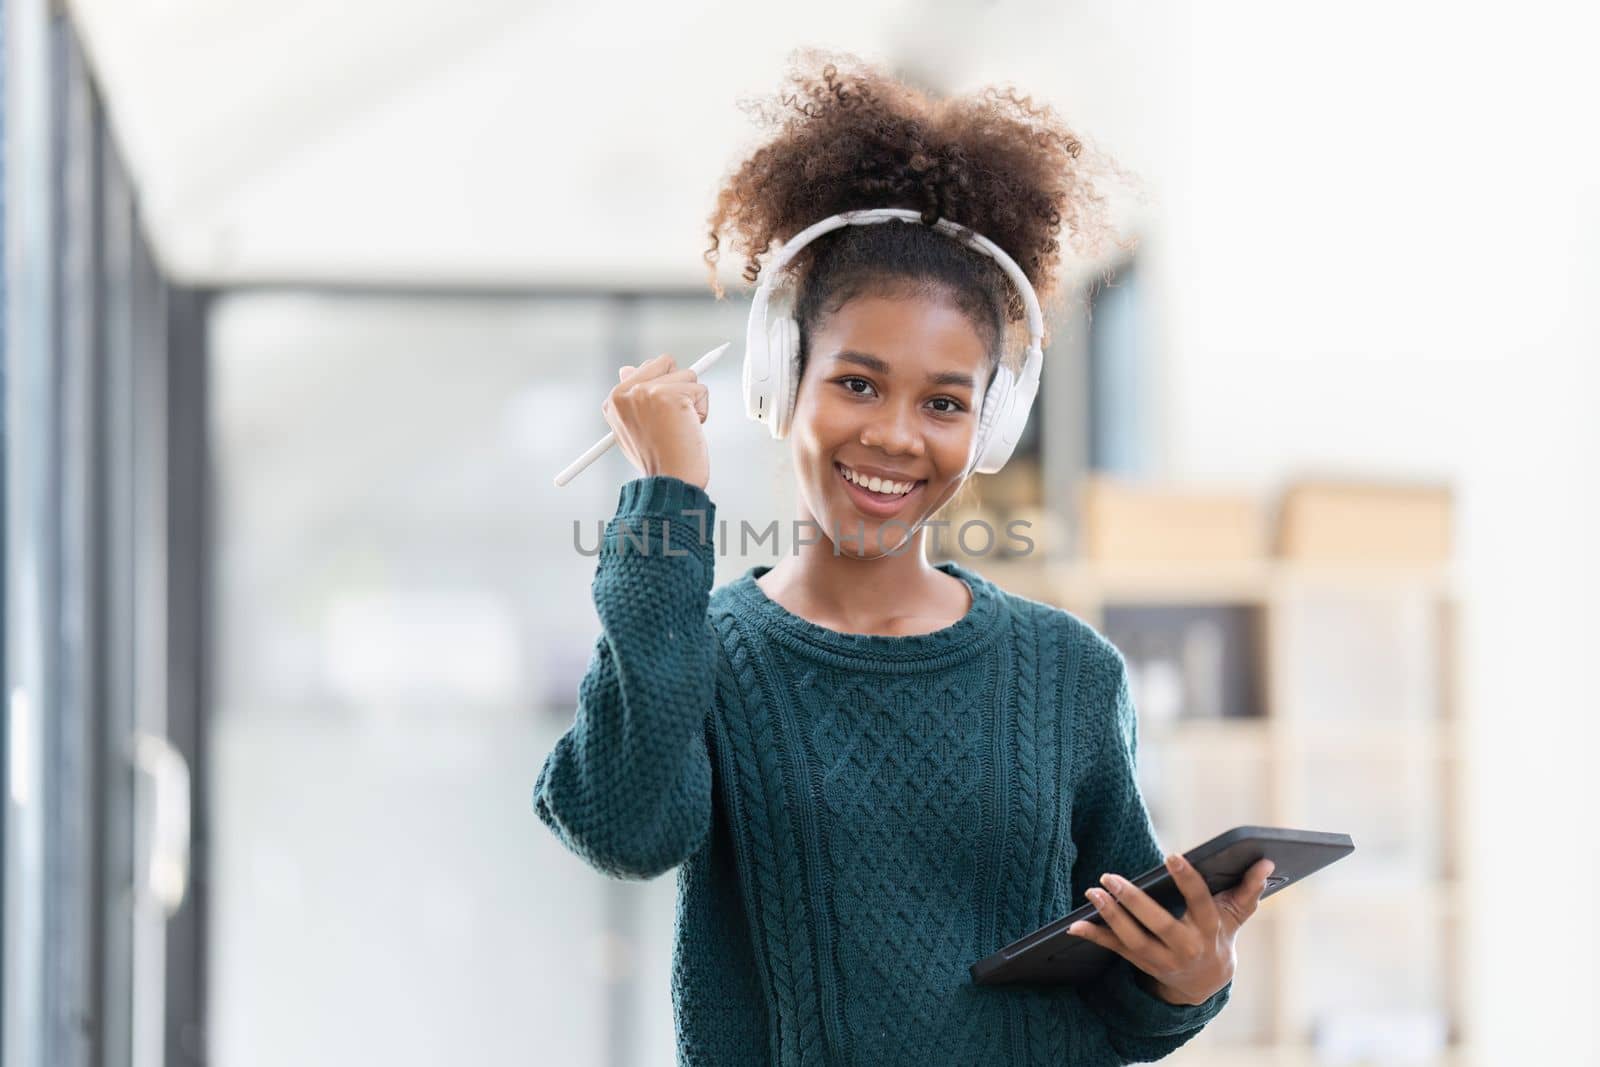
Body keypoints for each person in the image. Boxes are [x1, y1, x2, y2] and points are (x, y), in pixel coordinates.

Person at [533, 49, 1275, 1066]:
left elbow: (1124, 992)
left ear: (991, 424)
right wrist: (667, 498)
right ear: (782, 377)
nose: (894, 435)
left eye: (942, 402)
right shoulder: (696, 649)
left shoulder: (1068, 670)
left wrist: (1190, 982)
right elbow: (622, 827)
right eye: (857, 383)